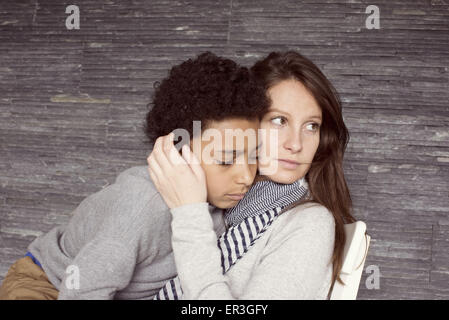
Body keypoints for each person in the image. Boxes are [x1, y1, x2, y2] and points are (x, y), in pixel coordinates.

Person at [0, 52, 269, 300]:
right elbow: (81, 290)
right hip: (48, 284)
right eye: (225, 160)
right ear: (177, 152)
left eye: (254, 156)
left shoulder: (226, 199)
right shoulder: (142, 209)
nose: (246, 176)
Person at [148, 50, 357, 300]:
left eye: (311, 126)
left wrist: (189, 214)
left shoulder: (310, 223)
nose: (296, 144)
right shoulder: (223, 203)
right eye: (279, 121)